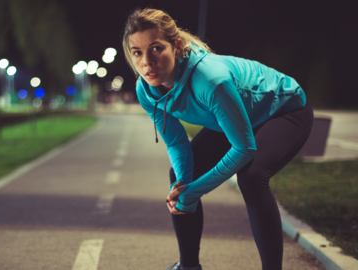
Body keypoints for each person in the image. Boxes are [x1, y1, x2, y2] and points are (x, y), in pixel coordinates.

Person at [122, 8, 313, 270]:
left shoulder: (210, 80)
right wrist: (185, 186)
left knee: (252, 176)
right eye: (137, 53)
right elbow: (177, 142)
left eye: (156, 48)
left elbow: (244, 148)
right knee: (178, 178)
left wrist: (195, 191)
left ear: (176, 46)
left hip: (284, 110)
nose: (146, 61)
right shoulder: (145, 90)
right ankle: (189, 266)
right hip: (235, 119)